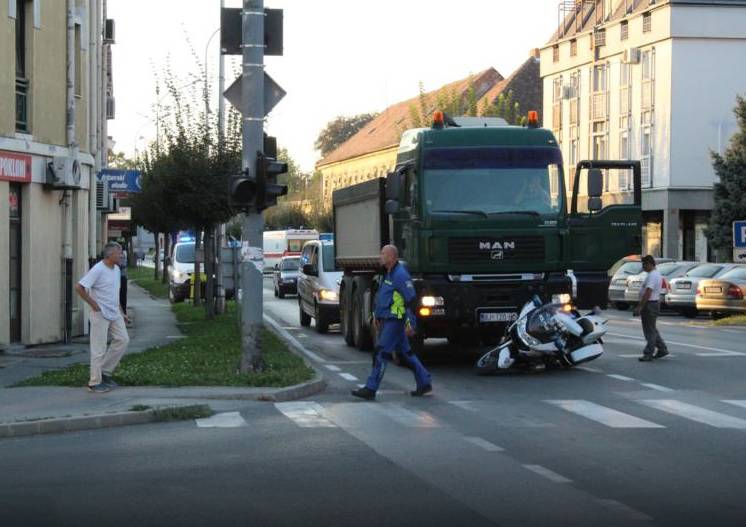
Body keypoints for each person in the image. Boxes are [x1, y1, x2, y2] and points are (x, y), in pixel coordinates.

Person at [352, 245, 432, 400]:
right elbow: (384, 297)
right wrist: (377, 315)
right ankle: (424, 382)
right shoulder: (387, 273)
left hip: (395, 321)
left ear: (392, 257)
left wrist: (411, 324)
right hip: (388, 319)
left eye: (383, 254)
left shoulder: (400, 275)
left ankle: (371, 388)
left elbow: (411, 301)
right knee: (406, 353)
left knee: (381, 353)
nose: (380, 257)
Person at [75, 242, 130, 393]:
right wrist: (93, 305)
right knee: (98, 348)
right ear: (110, 254)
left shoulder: (117, 269)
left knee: (123, 340)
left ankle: (105, 372)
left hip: (114, 312)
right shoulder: (98, 269)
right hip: (100, 313)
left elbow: (114, 292)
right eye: (119, 253)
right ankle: (94, 382)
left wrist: (122, 312)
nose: (121, 256)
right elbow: (79, 287)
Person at [634, 255, 669, 362]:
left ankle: (648, 353)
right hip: (652, 303)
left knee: (649, 331)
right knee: (652, 329)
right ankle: (662, 349)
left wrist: (640, 306)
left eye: (644, 265)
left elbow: (648, 292)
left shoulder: (653, 276)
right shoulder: (654, 274)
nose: (643, 267)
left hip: (650, 304)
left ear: (649, 264)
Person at [119, 247, 129, 315]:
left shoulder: (122, 255)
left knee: (122, 296)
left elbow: (122, 265)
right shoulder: (123, 254)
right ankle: (123, 312)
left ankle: (123, 312)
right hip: (122, 276)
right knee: (122, 296)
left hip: (122, 277)